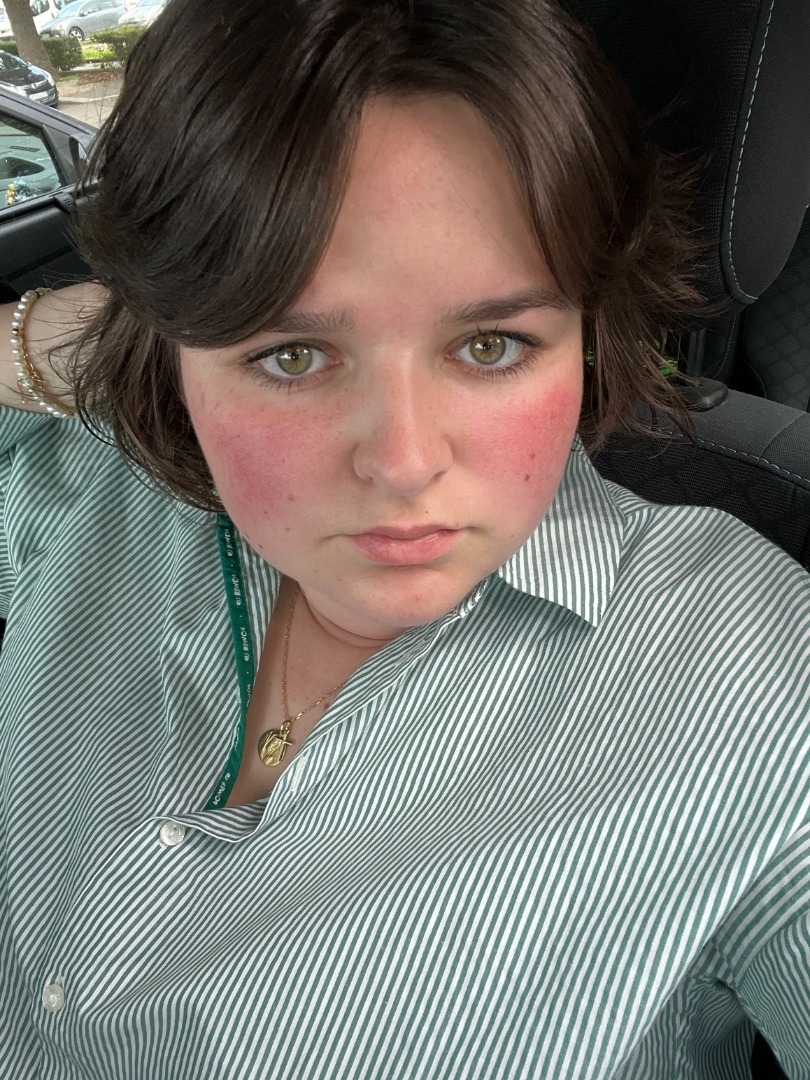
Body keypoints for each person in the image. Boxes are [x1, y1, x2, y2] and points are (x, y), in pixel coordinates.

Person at [0, 0, 808, 1076]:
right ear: (171, 349)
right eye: (291, 354)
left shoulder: (752, 675)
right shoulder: (94, 491)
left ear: (586, 333)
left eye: (491, 344)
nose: (403, 460)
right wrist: (66, 341)